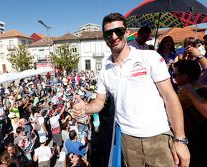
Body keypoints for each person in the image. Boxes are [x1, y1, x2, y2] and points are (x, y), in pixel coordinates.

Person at [72, 12, 190, 167]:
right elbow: (99, 102)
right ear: (104, 37)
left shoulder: (150, 57)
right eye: (108, 34)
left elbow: (169, 97)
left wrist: (180, 139)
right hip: (127, 142)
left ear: (127, 33)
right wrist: (86, 107)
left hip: (158, 137)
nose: (114, 37)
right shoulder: (104, 71)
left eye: (118, 32)